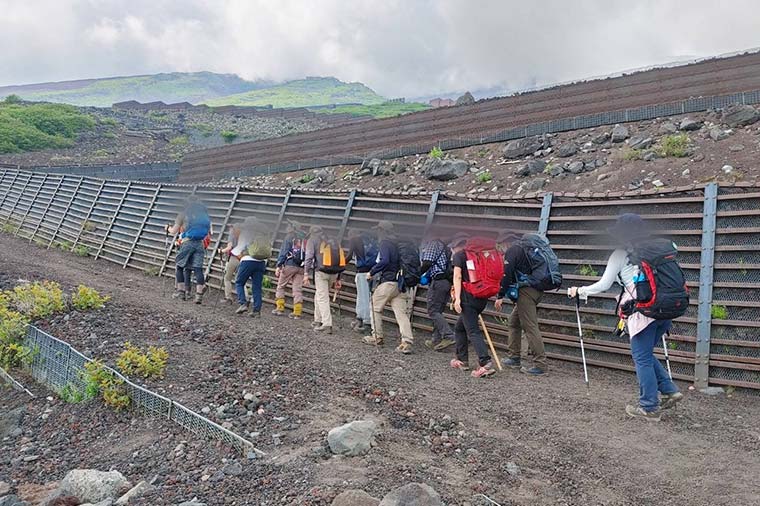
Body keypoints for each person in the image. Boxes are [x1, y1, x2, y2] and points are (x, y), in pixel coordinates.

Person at [568, 214, 684, 421]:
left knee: (641, 357)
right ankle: (669, 390)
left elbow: (604, 285)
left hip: (643, 311)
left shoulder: (621, 254)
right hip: (664, 310)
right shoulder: (658, 250)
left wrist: (580, 290)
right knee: (645, 354)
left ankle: (649, 407)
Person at [494, 230, 548, 375]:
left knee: (530, 327)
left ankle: (540, 365)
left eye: (500, 247)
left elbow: (507, 274)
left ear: (505, 243)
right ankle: (514, 357)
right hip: (536, 290)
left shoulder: (513, 250)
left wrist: (500, 295)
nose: (500, 250)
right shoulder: (525, 249)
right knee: (513, 321)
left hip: (526, 292)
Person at [362, 221, 415, 354]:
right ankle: (407, 341)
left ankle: (377, 336)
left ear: (382, 230)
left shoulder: (386, 242)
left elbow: (384, 260)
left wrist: (371, 272)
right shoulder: (399, 243)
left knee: (375, 306)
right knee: (401, 313)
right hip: (400, 283)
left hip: (388, 282)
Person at [450, 233, 497, 378]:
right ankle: (462, 359)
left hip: (467, 298)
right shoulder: (480, 256)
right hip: (481, 298)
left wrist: (457, 299)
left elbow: (457, 276)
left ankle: (485, 362)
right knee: (460, 328)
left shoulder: (460, 256)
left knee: (473, 331)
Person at [166, 195, 212, 304]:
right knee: (198, 269)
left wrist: (167, 228)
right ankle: (198, 296)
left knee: (180, 265)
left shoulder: (183, 214)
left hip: (187, 242)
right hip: (200, 243)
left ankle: (181, 292)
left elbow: (173, 231)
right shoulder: (204, 215)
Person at [303, 225, 345, 333]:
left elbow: (309, 257)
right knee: (319, 295)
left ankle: (327, 324)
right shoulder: (332, 240)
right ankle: (318, 320)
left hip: (321, 272)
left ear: (311, 233)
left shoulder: (312, 240)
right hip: (334, 273)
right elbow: (340, 259)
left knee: (322, 298)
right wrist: (339, 278)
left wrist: (306, 273)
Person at [420, 231, 455, 351]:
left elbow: (427, 263)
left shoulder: (434, 244)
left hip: (438, 281)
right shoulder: (447, 248)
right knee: (438, 311)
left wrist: (417, 274)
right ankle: (436, 339)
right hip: (447, 283)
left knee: (433, 310)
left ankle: (449, 336)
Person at [233, 217, 269, 318]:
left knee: (239, 282)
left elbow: (239, 248)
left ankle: (243, 303)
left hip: (248, 261)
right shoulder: (264, 234)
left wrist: (231, 252)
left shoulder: (246, 233)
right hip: (261, 262)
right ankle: (256, 311)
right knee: (256, 287)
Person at [273, 221, 306, 319]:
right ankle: (297, 312)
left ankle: (279, 308)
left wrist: (279, 265)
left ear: (293, 228)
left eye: (288, 226)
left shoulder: (289, 237)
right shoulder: (304, 238)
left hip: (289, 264)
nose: (286, 227)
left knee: (280, 286)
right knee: (297, 290)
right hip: (301, 266)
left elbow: (284, 251)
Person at [346, 228, 378, 332]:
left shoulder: (354, 239)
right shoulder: (372, 240)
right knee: (367, 295)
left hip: (362, 271)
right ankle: (360, 318)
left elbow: (349, 255)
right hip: (374, 271)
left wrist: (339, 264)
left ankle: (366, 321)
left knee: (363, 296)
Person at [220, 223, 241, 304]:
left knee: (227, 278)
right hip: (242, 259)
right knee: (240, 280)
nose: (230, 229)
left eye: (230, 227)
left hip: (233, 258)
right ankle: (245, 298)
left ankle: (228, 297)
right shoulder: (243, 236)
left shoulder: (232, 235)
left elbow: (229, 247)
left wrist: (221, 251)